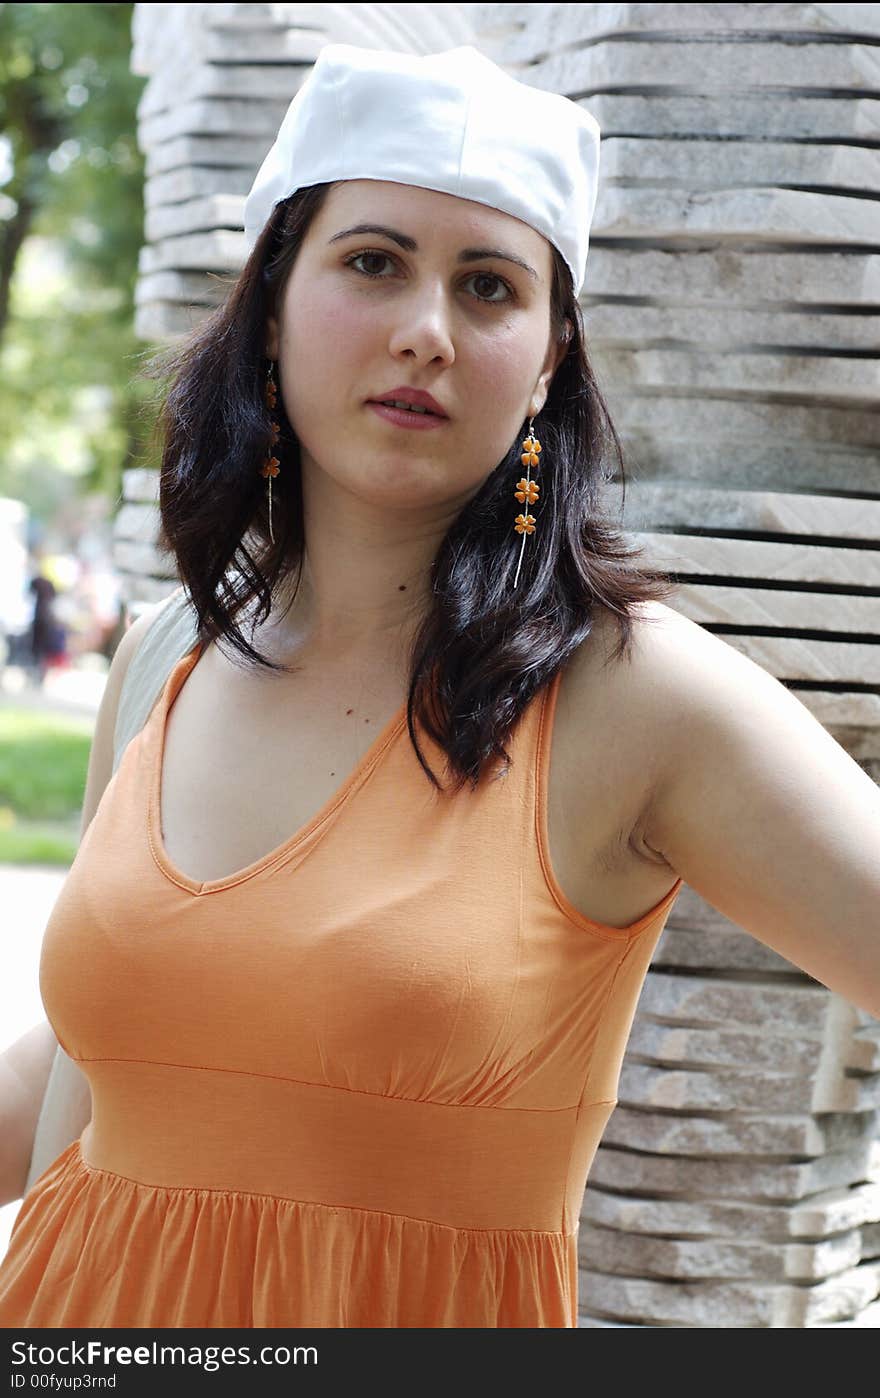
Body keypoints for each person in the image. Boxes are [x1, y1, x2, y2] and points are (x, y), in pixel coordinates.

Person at [1, 43, 878, 1330]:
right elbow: (132, 1061)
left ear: (544, 361)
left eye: (487, 286)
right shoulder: (164, 657)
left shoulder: (637, 699)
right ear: (273, 302)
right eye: (372, 262)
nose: (425, 329)